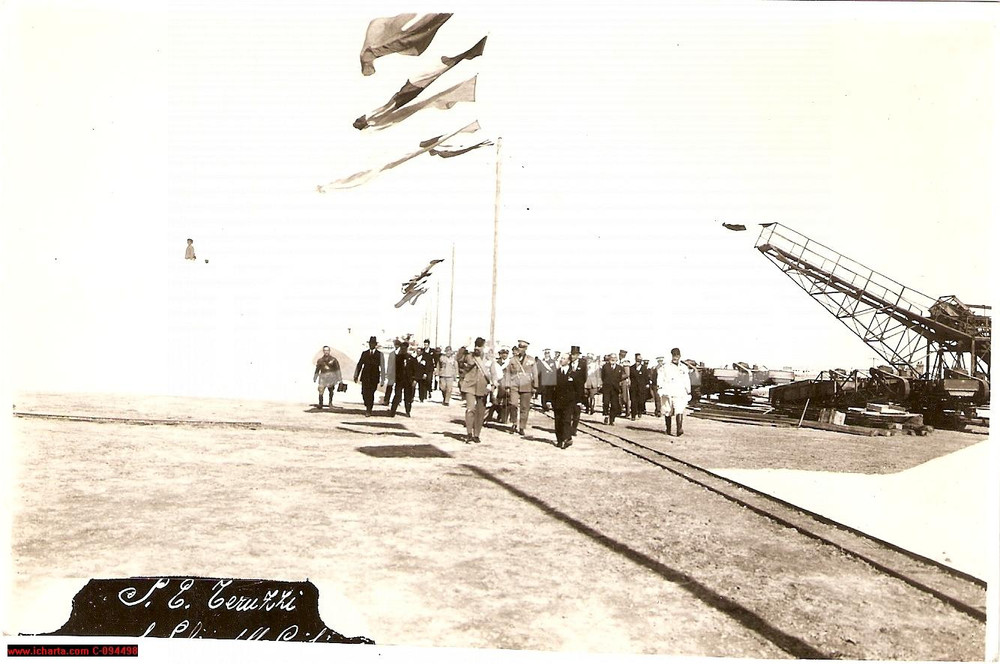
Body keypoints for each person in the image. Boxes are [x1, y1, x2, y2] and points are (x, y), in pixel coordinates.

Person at [458, 337, 492, 443]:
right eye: (476, 346)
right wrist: (463, 347)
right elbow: (458, 358)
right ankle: (468, 433)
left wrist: (492, 385)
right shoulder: (469, 356)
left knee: (480, 412)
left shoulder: (489, 359)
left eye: (480, 346)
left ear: (484, 347)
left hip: (483, 386)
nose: (478, 348)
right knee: (470, 409)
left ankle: (476, 434)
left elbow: (494, 373)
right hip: (470, 386)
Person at [504, 340, 537, 436]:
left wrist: (535, 386)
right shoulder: (513, 360)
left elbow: (535, 373)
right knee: (513, 404)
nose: (520, 349)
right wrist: (507, 385)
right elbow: (508, 372)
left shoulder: (531, 360)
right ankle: (514, 423)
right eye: (519, 347)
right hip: (514, 385)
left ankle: (522, 426)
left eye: (522, 347)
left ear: (526, 348)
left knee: (524, 407)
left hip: (527, 386)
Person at [658, 347, 692, 436]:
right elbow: (660, 378)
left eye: (677, 355)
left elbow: (686, 380)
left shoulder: (684, 368)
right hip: (668, 391)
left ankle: (679, 429)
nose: (675, 357)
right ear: (671, 356)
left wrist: (688, 391)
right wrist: (660, 388)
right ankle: (668, 429)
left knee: (679, 409)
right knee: (667, 410)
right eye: (674, 355)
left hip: (679, 392)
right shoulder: (665, 367)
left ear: (680, 356)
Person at [353, 335, 383, 416]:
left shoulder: (379, 354)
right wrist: (356, 375)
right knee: (364, 393)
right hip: (365, 377)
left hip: (374, 377)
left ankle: (369, 409)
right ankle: (367, 404)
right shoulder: (364, 353)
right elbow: (359, 364)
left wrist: (382, 379)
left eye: (373, 343)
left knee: (371, 393)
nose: (371, 345)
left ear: (375, 344)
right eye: (370, 343)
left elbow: (382, 367)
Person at [552, 354, 578, 448]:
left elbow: (578, 388)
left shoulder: (573, 374)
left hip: (569, 401)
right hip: (557, 401)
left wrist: (579, 401)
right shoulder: (556, 372)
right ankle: (559, 439)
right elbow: (550, 388)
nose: (561, 360)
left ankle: (566, 439)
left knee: (566, 420)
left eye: (563, 359)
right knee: (558, 421)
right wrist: (548, 400)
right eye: (561, 358)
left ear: (569, 361)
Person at [390, 340, 419, 417]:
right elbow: (393, 369)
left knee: (408, 397)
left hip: (408, 381)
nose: (403, 350)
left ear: (407, 349)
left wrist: (415, 379)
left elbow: (416, 370)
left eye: (404, 349)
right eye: (402, 348)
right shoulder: (397, 358)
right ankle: (393, 411)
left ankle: (408, 411)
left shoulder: (411, 359)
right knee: (397, 395)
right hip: (399, 380)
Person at [484, 347, 510, 424]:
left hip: (505, 385)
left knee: (506, 401)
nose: (504, 355)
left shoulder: (509, 363)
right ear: (500, 354)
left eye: (506, 354)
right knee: (493, 400)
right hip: (496, 384)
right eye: (503, 353)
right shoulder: (496, 362)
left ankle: (503, 417)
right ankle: (488, 417)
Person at [568, 346, 586, 437]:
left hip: (579, 390)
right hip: (569, 390)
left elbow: (584, 377)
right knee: (569, 410)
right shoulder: (568, 363)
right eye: (572, 354)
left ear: (578, 355)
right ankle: (568, 428)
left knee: (577, 410)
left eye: (575, 354)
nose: (573, 356)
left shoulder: (583, 364)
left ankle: (574, 428)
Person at [601, 353, 623, 425]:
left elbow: (621, 377)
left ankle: (612, 419)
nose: (613, 359)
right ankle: (606, 415)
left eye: (614, 358)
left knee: (614, 404)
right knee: (606, 402)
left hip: (615, 389)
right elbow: (602, 376)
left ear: (616, 359)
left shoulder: (619, 368)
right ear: (609, 359)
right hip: (607, 388)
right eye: (611, 358)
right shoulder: (605, 367)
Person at [382, 338, 401, 405]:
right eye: (395, 345)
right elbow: (389, 364)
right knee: (389, 386)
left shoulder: (401, 353)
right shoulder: (392, 354)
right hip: (392, 373)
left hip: (399, 373)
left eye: (397, 345)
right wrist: (388, 372)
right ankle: (386, 400)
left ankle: (398, 400)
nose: (396, 346)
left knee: (398, 388)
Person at [631, 353, 648, 419]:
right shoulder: (632, 368)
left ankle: (640, 411)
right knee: (633, 401)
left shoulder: (644, 368)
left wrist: (647, 384)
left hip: (641, 387)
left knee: (641, 401)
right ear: (635, 359)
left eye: (640, 360)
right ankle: (633, 415)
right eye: (637, 360)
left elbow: (646, 377)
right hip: (634, 387)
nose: (638, 361)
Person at [618, 350, 631, 418]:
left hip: (624, 381)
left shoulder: (626, 362)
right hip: (618, 381)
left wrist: (618, 377)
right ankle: (619, 410)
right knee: (619, 397)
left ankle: (627, 412)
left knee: (625, 397)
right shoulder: (618, 361)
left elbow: (627, 374)